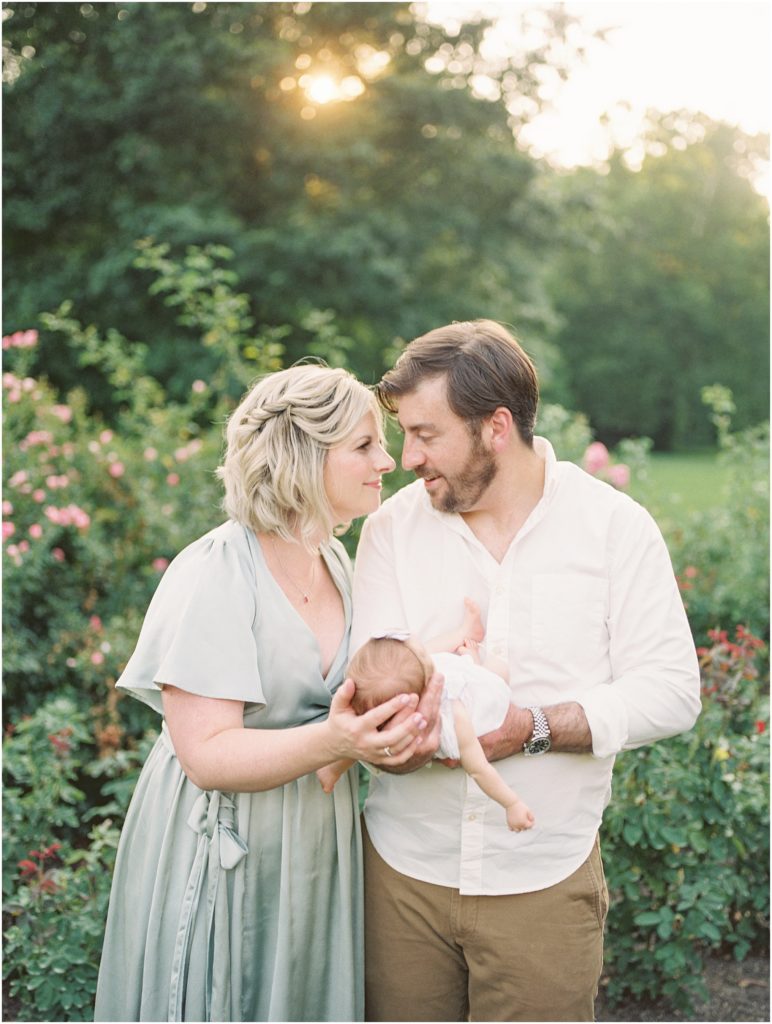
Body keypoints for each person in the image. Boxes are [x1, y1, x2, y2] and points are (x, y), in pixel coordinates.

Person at [351, 319, 702, 1022]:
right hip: (403, 875)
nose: (405, 457)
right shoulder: (392, 530)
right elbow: (369, 688)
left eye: (426, 434)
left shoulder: (613, 528)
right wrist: (387, 735)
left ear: (496, 427)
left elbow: (671, 690)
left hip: (544, 877)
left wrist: (530, 730)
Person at [94, 364, 430, 1023]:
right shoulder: (218, 571)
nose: (386, 460)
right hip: (226, 843)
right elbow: (208, 755)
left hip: (314, 840)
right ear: (304, 456)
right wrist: (336, 739)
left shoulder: (336, 561)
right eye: (364, 446)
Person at [317, 604, 535, 832]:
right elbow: (479, 768)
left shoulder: (372, 708)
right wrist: (512, 803)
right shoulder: (457, 714)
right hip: (469, 690)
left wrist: (333, 768)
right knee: (499, 671)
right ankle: (474, 662)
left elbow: (351, 743)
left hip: (424, 681)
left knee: (360, 735)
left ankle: (465, 633)